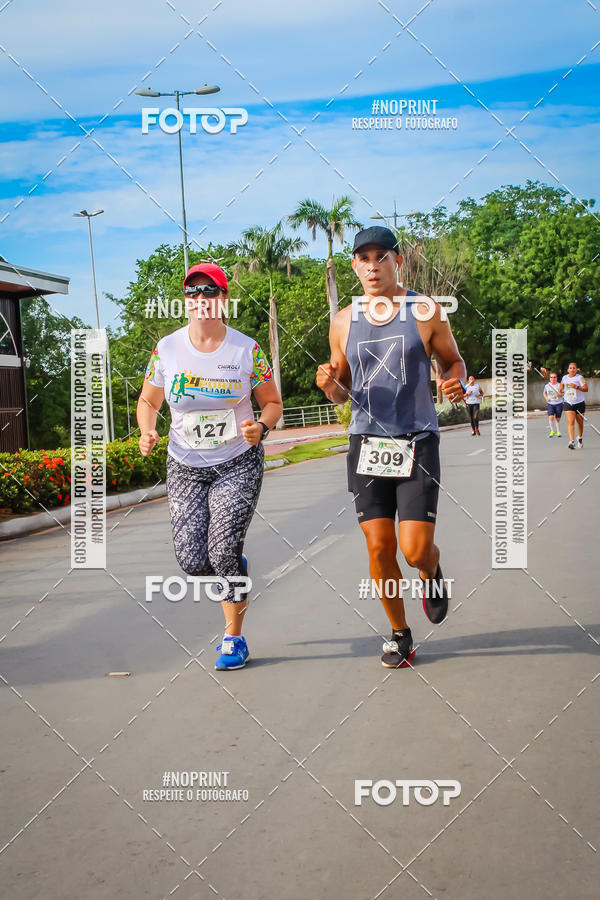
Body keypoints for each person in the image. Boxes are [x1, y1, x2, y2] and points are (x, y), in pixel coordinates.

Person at [316, 225, 466, 669]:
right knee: (379, 546)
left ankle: (431, 569)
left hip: (416, 439)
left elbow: (452, 361)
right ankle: (400, 634)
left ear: (397, 261)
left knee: (415, 549)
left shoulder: (425, 310)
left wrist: (453, 380)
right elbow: (340, 391)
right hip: (366, 443)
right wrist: (328, 384)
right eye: (363, 258)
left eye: (381, 257)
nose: (372, 266)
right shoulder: (343, 322)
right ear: (354, 266)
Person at [137, 262, 283, 670]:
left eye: (209, 291)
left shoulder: (246, 350)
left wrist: (261, 427)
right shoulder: (167, 349)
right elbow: (148, 400)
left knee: (221, 551)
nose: (200, 299)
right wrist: (147, 430)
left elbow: (273, 403)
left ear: (223, 299)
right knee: (192, 560)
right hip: (185, 465)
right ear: (185, 301)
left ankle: (233, 639)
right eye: (192, 292)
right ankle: (234, 566)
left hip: (237, 462)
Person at [559, 362, 587, 449]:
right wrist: (560, 391)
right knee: (571, 422)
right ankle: (572, 442)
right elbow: (561, 387)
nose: (572, 369)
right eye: (570, 368)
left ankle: (580, 438)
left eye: (574, 368)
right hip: (568, 403)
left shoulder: (580, 378)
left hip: (579, 403)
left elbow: (586, 388)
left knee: (580, 423)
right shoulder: (564, 378)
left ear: (576, 369)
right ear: (568, 369)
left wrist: (577, 387)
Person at [543, 372, 562, 437]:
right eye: (551, 377)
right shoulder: (547, 386)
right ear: (549, 378)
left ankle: (558, 432)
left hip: (559, 403)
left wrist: (560, 395)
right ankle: (552, 431)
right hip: (550, 404)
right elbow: (544, 393)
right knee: (551, 417)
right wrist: (546, 398)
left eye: (554, 377)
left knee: (557, 419)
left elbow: (563, 393)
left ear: (557, 378)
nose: (553, 378)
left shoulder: (559, 385)